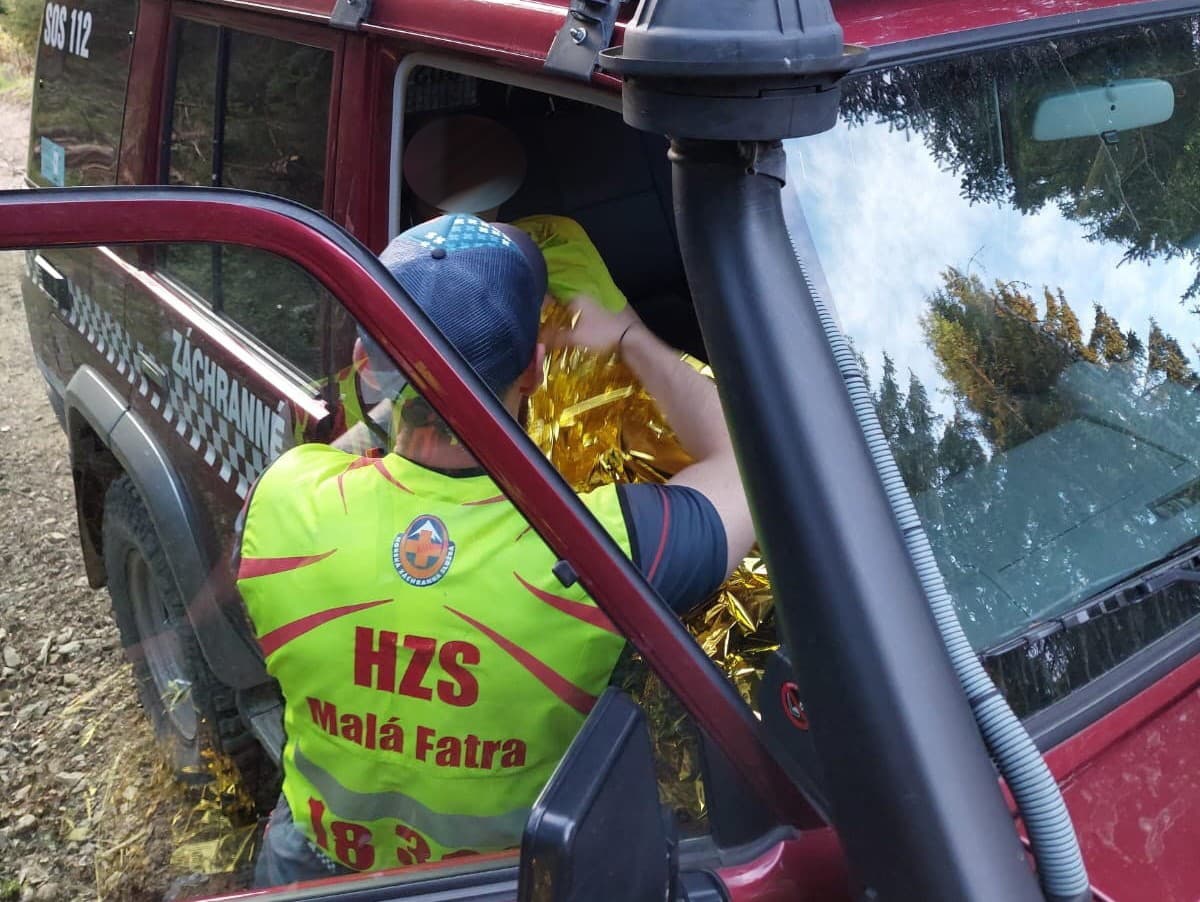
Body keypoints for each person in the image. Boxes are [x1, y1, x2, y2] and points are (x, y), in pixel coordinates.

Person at [235, 213, 754, 884]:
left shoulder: (283, 503)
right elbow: (749, 468)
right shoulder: (600, 550)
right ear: (536, 368)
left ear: (365, 364)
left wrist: (399, 388)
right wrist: (630, 337)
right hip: (491, 887)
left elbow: (339, 459)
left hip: (312, 871)